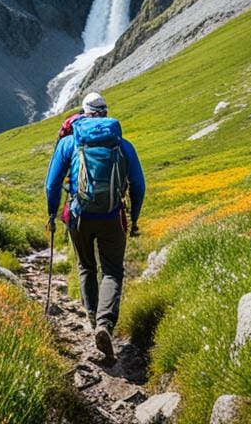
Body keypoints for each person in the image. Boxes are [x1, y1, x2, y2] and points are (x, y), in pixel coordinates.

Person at [44, 91, 145, 361]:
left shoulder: (69, 143)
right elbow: (139, 185)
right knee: (112, 272)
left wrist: (52, 213)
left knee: (87, 267)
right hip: (112, 217)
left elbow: (51, 184)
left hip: (79, 217)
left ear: (84, 113)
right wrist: (134, 219)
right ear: (106, 113)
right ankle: (105, 325)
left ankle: (92, 320)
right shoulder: (122, 145)